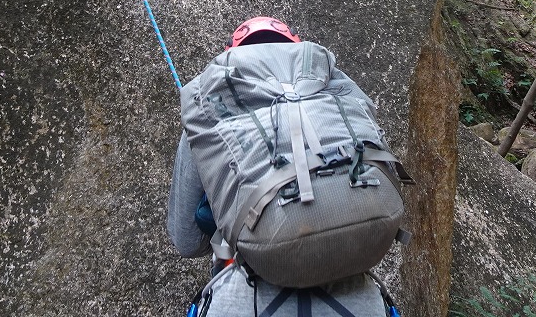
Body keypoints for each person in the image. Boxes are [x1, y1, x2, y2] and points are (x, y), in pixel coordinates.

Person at [167, 17, 394, 316]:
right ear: (297, 51)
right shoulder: (340, 96)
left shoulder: (210, 113)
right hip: (360, 302)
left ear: (230, 57)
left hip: (246, 300)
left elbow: (187, 240)